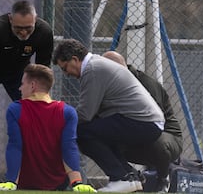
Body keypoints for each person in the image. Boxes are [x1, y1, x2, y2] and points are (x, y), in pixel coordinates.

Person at [52, 39, 165, 193]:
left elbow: (85, 114)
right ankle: (130, 177)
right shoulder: (96, 65)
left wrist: (55, 121)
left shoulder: (92, 69)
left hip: (143, 122)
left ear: (74, 59)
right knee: (99, 132)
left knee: (82, 132)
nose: (66, 74)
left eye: (65, 68)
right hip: (146, 122)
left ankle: (121, 178)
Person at [0, 0, 53, 186]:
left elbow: (42, 69)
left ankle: (34, 169)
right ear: (10, 19)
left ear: (36, 21)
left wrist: (40, 97)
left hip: (17, 72)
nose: (23, 32)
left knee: (34, 114)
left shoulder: (44, 32)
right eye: (18, 28)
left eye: (28, 28)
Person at [0, 64, 96, 192]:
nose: (20, 88)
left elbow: (15, 146)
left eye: (22, 84)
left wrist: (11, 181)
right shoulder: (67, 112)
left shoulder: (16, 110)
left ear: (32, 85)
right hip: (58, 183)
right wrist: (77, 183)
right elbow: (69, 147)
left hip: (24, 182)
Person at [102, 51, 183, 192]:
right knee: (99, 137)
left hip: (164, 134)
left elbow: (154, 122)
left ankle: (163, 178)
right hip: (132, 133)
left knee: (158, 142)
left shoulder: (146, 84)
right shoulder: (108, 86)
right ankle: (129, 176)